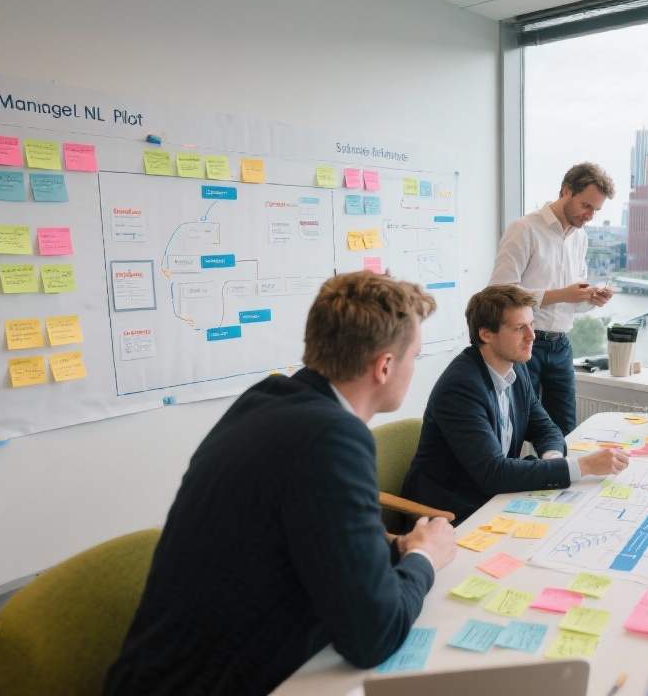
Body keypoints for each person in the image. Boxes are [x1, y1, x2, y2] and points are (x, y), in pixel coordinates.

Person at [104, 272, 458, 696]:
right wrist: (424, 557)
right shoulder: (334, 439)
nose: (414, 367)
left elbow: (308, 539)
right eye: (414, 355)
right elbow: (373, 636)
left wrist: (396, 549)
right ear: (384, 366)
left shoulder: (267, 399)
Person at [401, 284, 628, 524]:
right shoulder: (461, 387)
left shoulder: (516, 369)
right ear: (486, 334)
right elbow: (494, 474)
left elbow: (545, 428)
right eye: (520, 328)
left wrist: (552, 459)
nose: (532, 336)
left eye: (531, 324)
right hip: (449, 511)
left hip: (490, 497)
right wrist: (583, 466)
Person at [489, 162, 616, 435]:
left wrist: (591, 298)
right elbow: (499, 293)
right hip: (524, 342)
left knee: (565, 430)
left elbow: (571, 302)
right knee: (516, 428)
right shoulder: (524, 229)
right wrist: (563, 294)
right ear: (567, 191)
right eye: (586, 205)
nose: (590, 216)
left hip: (561, 346)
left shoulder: (580, 238)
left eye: (596, 210)